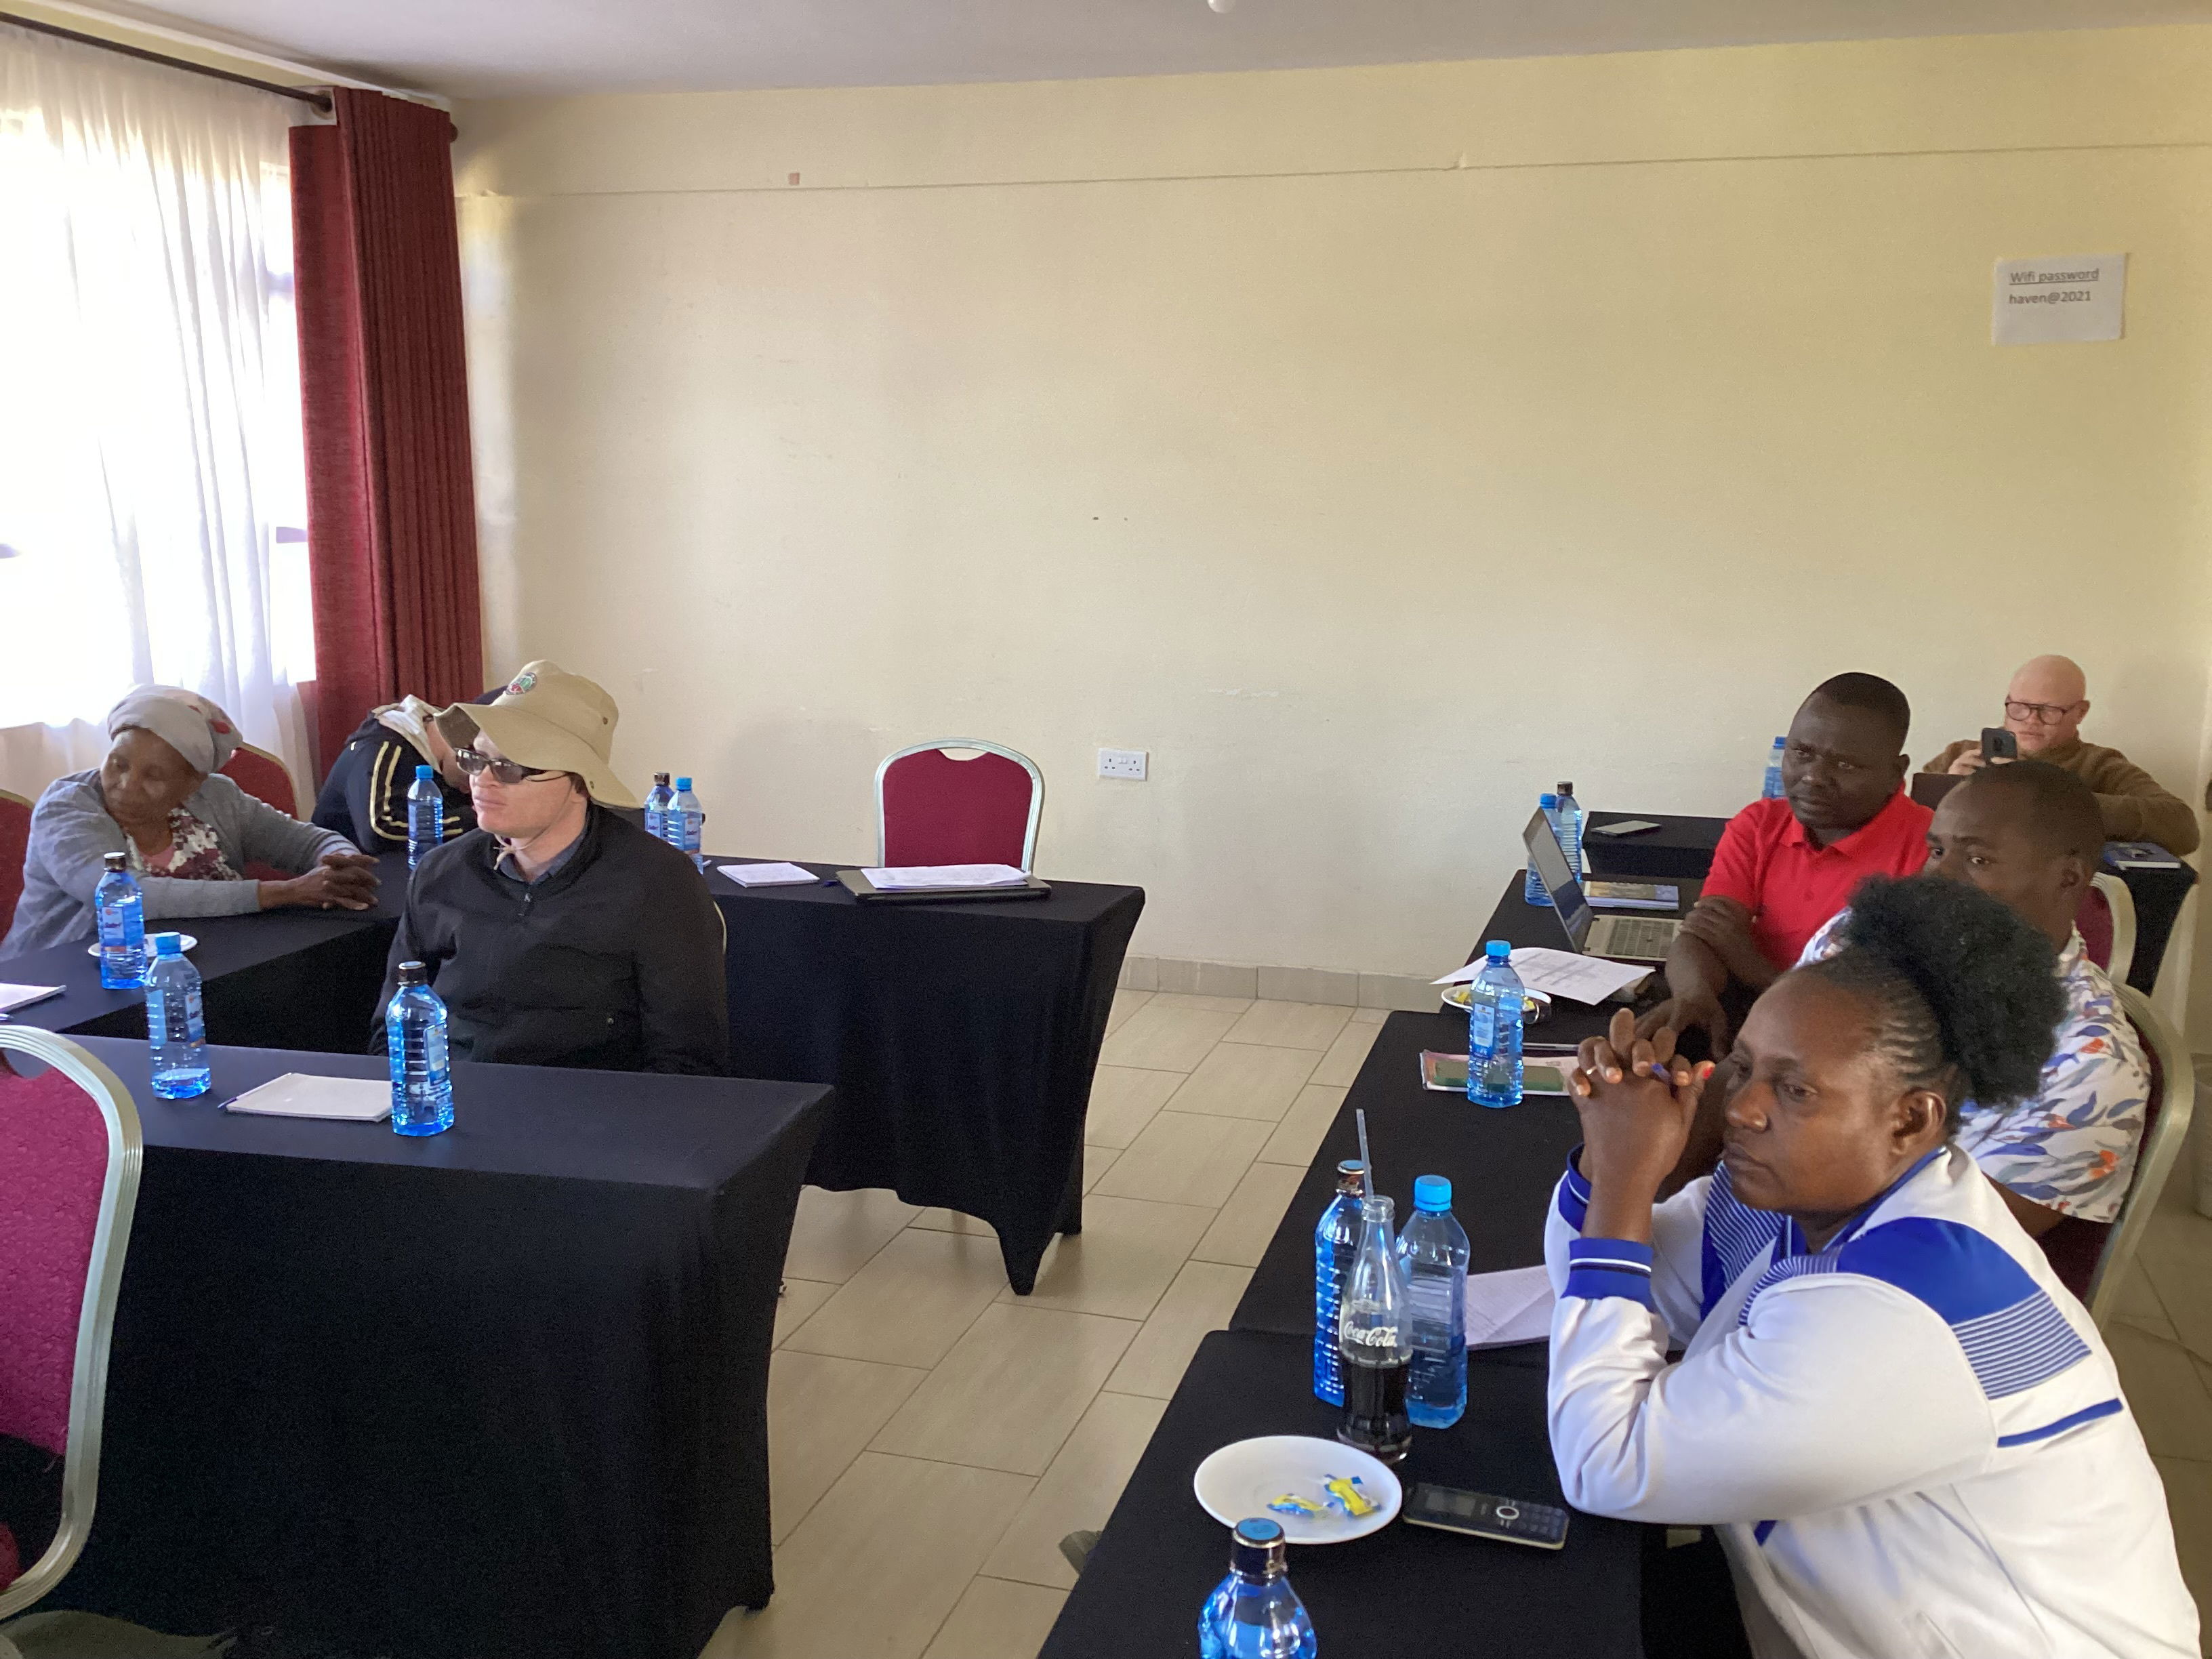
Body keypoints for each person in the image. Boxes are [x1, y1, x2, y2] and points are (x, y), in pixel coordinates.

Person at [1551, 876, 2197, 1659]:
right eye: (1744, 1067)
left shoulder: (1910, 1309)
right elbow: (1609, 1282)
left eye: (1794, 1090)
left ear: (1910, 1119)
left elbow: (1606, 1460)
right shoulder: (1807, 1197)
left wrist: (1625, 1182)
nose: (1744, 1109)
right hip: (1818, 1615)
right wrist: (1604, 1162)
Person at [1797, 760, 2147, 1239]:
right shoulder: (1857, 939)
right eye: (1937, 850)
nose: (1940, 878)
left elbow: (1953, 1247)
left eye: (1978, 860)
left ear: (2068, 878)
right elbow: (1749, 1072)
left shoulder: (2089, 1064)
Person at [371, 661, 729, 1074]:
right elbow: (393, 1029)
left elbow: (687, 1058)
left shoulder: (656, 882)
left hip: (592, 1116)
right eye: (475, 759)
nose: (482, 781)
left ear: (579, 783)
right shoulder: (441, 872)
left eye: (509, 766)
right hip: (456, 1106)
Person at [1640, 674, 1931, 1052]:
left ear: (1896, 773)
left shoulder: (1931, 850)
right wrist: (1694, 995)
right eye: (1802, 753)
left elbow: (1878, 1012)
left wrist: (1750, 963)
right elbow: (1704, 934)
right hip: (1744, 1024)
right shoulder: (1760, 824)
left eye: (1845, 765)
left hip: (1846, 1052)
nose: (1813, 777)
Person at [3, 687, 378, 955]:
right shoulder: (68, 807)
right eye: (118, 763)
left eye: (153, 776)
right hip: (61, 988)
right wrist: (281, 892)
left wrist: (339, 866)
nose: (126, 785)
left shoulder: (217, 795)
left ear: (193, 783)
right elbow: (127, 896)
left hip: (202, 965)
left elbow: (306, 841)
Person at [1923, 655, 2198, 855]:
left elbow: (2182, 827)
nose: (2031, 721)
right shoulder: (1959, 755)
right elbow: (1910, 837)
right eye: (2020, 707)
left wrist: (2052, 799)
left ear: (2080, 712)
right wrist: (1948, 791)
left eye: (2048, 711)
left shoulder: (2100, 765)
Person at [310, 693, 491, 855]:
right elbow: (379, 831)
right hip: (347, 867)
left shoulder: (438, 757)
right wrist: (473, 819)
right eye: (472, 772)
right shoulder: (383, 747)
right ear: (462, 745)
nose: (470, 788)